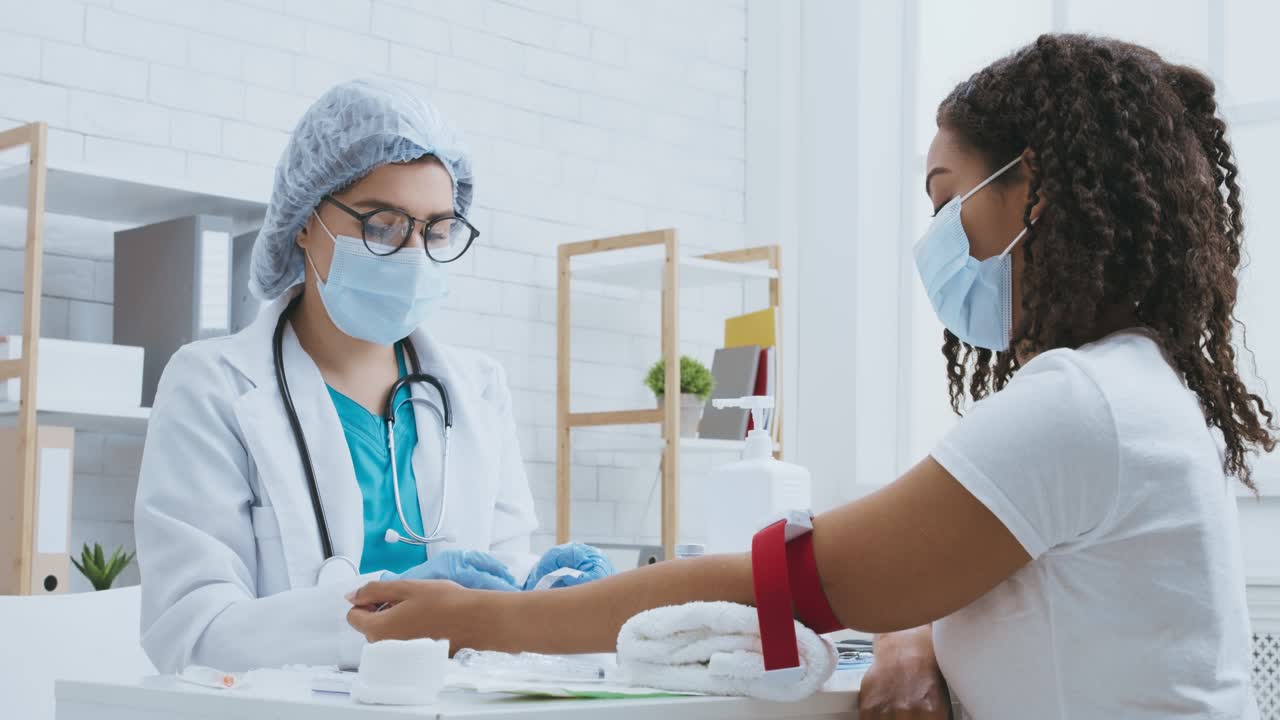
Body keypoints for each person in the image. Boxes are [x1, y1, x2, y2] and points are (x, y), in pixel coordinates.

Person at [342, 36, 1268, 719]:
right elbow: (929, 577)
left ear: (1041, 190)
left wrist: (480, 618)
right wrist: (913, 636)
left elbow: (777, 583)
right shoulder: (1132, 390)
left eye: (948, 201)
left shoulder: (1080, 405)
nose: (937, 240)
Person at [134, 79, 613, 674]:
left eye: (435, 231)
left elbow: (500, 588)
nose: (413, 253)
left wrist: (542, 598)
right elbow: (191, 634)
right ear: (305, 221)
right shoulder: (214, 386)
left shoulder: (480, 390)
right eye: (382, 224)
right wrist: (378, 615)